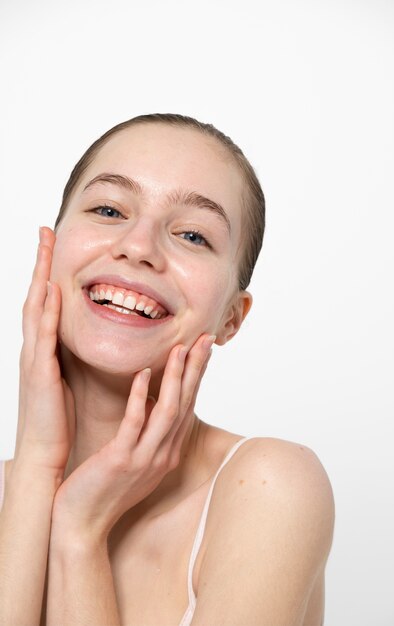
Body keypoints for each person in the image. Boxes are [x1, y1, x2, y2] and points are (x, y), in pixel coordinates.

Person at [0, 113, 334, 626]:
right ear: (52, 248)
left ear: (231, 317)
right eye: (109, 209)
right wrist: (34, 468)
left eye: (194, 236)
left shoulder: (270, 486)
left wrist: (78, 533)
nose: (138, 247)